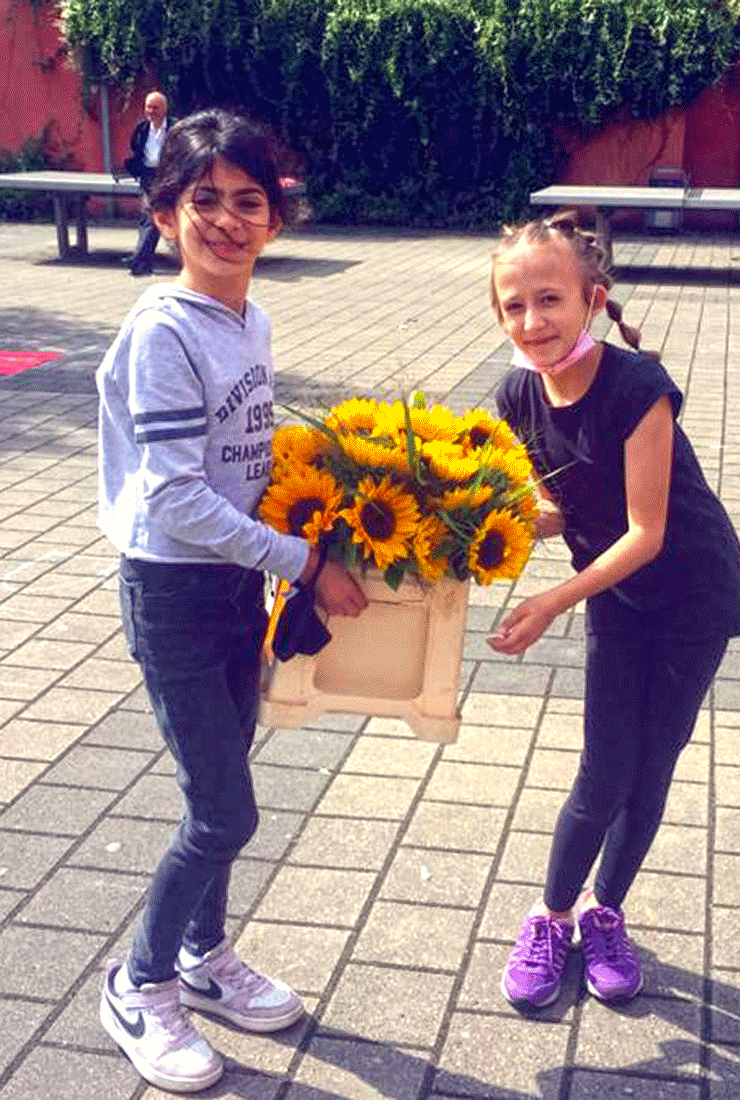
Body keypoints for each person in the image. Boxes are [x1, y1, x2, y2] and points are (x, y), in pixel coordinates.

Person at [97, 108, 368, 1094]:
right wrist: (302, 561)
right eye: (201, 198)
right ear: (164, 213)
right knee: (222, 810)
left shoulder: (248, 318)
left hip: (229, 583)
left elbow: (241, 459)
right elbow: (175, 493)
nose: (224, 217)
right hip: (171, 586)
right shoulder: (161, 331)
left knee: (225, 782)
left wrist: (338, 501)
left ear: (276, 219)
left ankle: (207, 956)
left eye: (246, 201)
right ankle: (138, 982)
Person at [489, 214, 740, 1012]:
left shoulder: (639, 387)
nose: (533, 322)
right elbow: (552, 501)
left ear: (591, 299)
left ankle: (606, 913)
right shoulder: (515, 391)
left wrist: (548, 601)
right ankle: (550, 915)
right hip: (615, 593)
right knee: (603, 766)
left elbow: (647, 531)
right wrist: (474, 525)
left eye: (550, 299)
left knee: (652, 764)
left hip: (693, 593)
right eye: (515, 306)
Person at [123, 91, 174, 275]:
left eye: (155, 107)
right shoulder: (142, 128)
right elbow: (135, 147)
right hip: (147, 176)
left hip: (167, 176)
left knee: (152, 216)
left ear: (164, 109)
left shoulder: (175, 128)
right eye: (148, 107)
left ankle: (139, 260)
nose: (150, 111)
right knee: (150, 216)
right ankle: (141, 260)